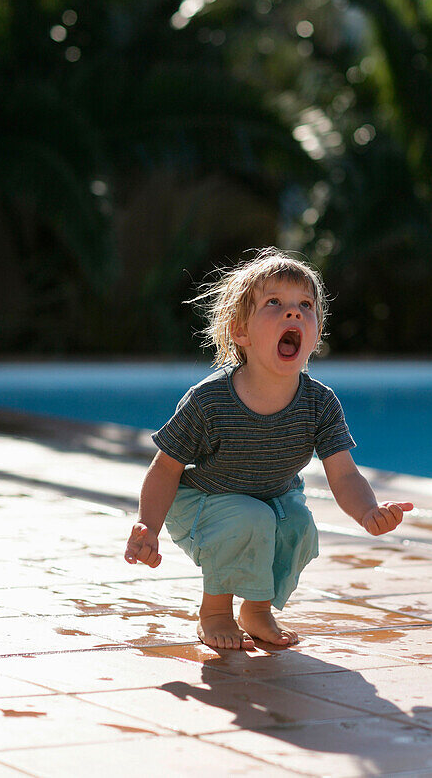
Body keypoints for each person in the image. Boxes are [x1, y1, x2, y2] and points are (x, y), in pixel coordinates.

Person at [124, 247, 413, 651]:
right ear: (240, 332)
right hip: (201, 504)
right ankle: (215, 611)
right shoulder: (210, 401)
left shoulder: (319, 403)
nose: (293, 312)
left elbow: (344, 473)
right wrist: (148, 527)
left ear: (315, 331)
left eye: (305, 305)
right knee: (251, 516)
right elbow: (165, 467)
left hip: (269, 500)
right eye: (274, 303)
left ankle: (257, 610)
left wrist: (367, 511)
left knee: (298, 524)